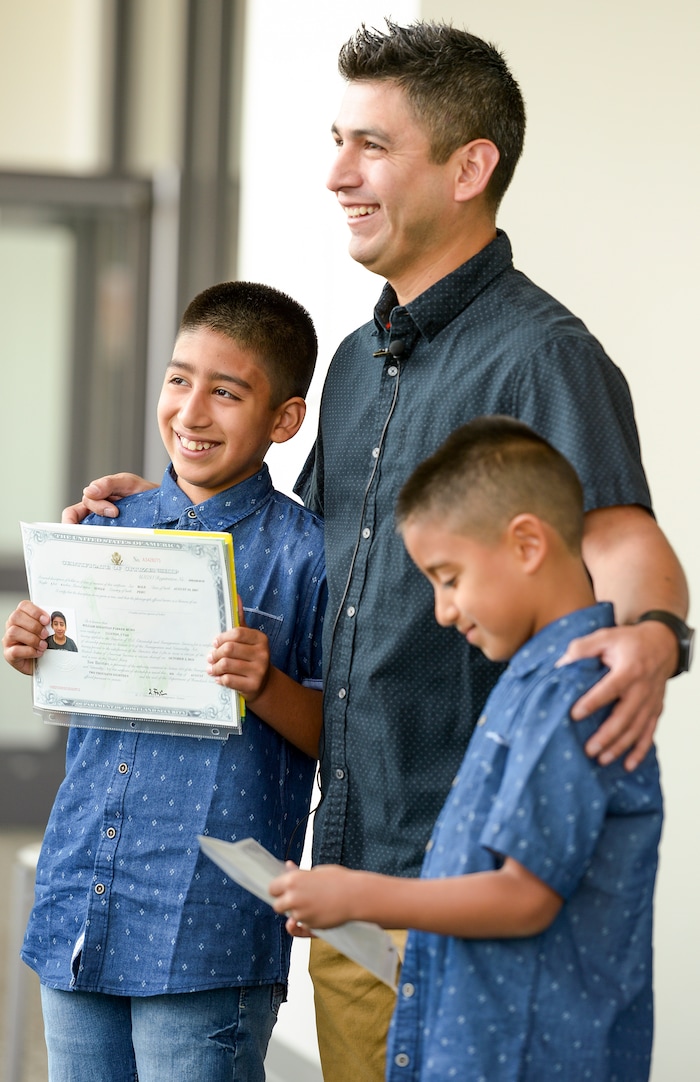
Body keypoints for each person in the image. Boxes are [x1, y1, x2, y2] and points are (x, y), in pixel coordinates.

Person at [61, 20, 691, 1081]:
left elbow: (624, 534)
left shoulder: (545, 355)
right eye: (335, 141)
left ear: (468, 166)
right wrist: (162, 510)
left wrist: (656, 637)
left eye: (370, 146)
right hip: (350, 867)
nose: (336, 174)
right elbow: (303, 549)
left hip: (471, 874)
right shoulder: (357, 360)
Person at [269, 416, 664, 1082]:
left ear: (527, 544)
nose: (443, 610)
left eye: (449, 578)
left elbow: (524, 898)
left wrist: (360, 896)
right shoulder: (527, 684)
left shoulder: (573, 697)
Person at [2, 281, 327, 1082]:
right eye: (179, 379)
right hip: (84, 894)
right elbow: (74, 673)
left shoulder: (310, 556)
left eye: (227, 391)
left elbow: (343, 736)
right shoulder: (105, 529)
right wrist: (33, 641)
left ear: (285, 419)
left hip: (209, 931)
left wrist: (266, 682)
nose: (192, 411)